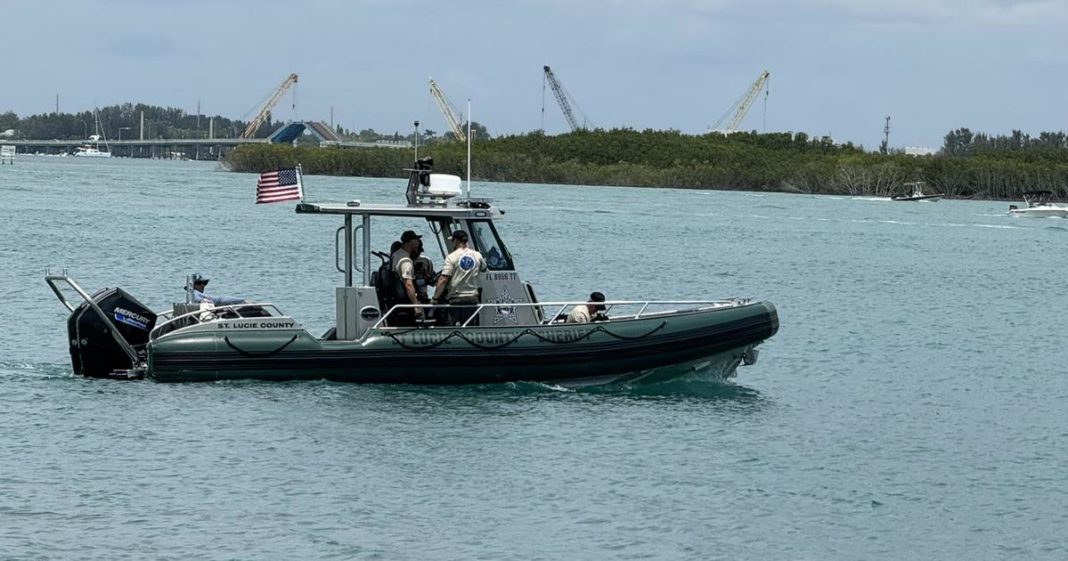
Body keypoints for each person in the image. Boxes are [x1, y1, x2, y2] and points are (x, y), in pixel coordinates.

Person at [432, 230, 487, 326]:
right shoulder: (477, 255)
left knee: (450, 326)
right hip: (472, 298)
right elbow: (483, 268)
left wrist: (435, 298)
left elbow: (443, 279)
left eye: (452, 240)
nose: (452, 242)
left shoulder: (451, 257)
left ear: (456, 241)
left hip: (456, 299)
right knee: (470, 327)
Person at [390, 230, 424, 326]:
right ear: (409, 242)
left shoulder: (396, 254)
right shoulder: (405, 261)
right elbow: (408, 285)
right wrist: (416, 306)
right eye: (416, 239)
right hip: (405, 299)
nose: (418, 241)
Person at [410, 239, 436, 304]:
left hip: (423, 296)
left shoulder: (426, 261)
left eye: (418, 250)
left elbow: (432, 278)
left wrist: (432, 279)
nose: (417, 252)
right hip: (410, 297)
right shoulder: (405, 262)